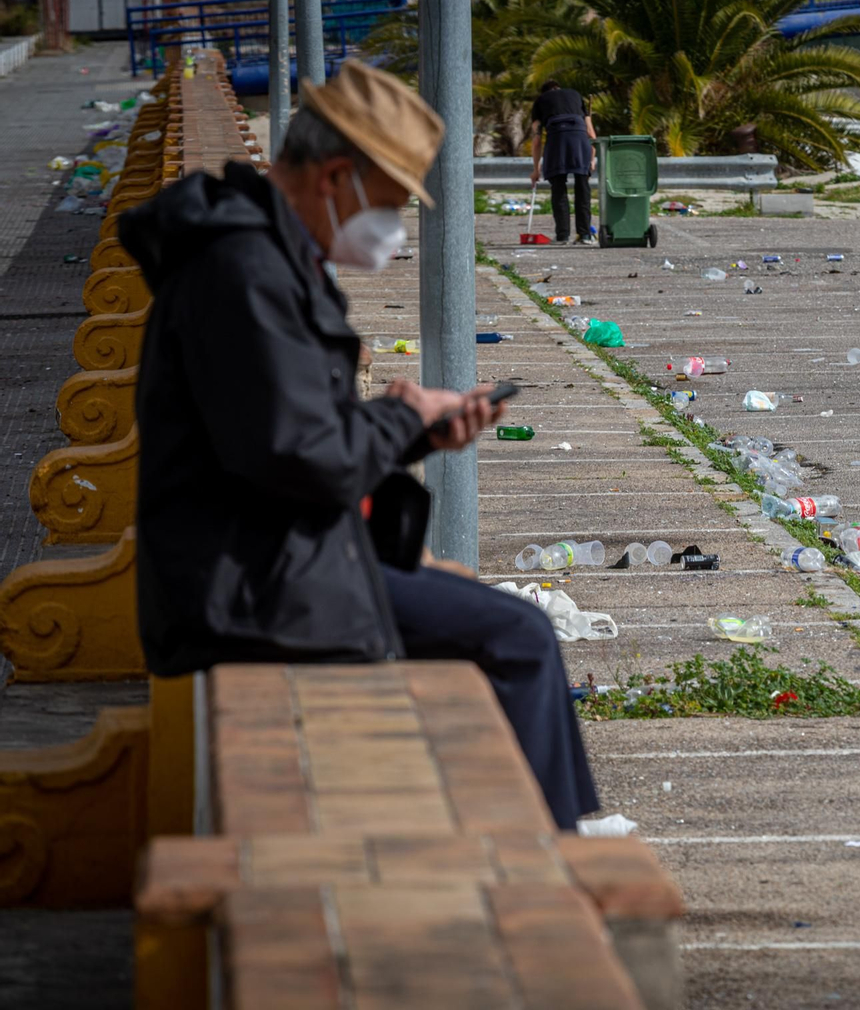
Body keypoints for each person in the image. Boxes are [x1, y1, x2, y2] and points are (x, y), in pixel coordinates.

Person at [119, 60, 598, 829]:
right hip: (246, 593)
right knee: (519, 639)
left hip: (267, 563)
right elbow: (299, 455)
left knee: (500, 623)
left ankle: (557, 837)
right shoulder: (245, 273)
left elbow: (294, 442)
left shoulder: (264, 256)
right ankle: (553, 852)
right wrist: (405, 420)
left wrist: (418, 429)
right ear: (336, 176)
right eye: (390, 203)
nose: (393, 227)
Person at [529, 78, 597, 245]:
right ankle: (585, 235)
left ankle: (562, 236)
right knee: (583, 188)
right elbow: (591, 134)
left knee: (558, 188)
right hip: (579, 140)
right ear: (558, 87)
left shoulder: (540, 101)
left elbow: (537, 140)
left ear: (544, 92)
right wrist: (591, 159)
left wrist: (536, 170)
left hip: (557, 140)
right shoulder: (576, 96)